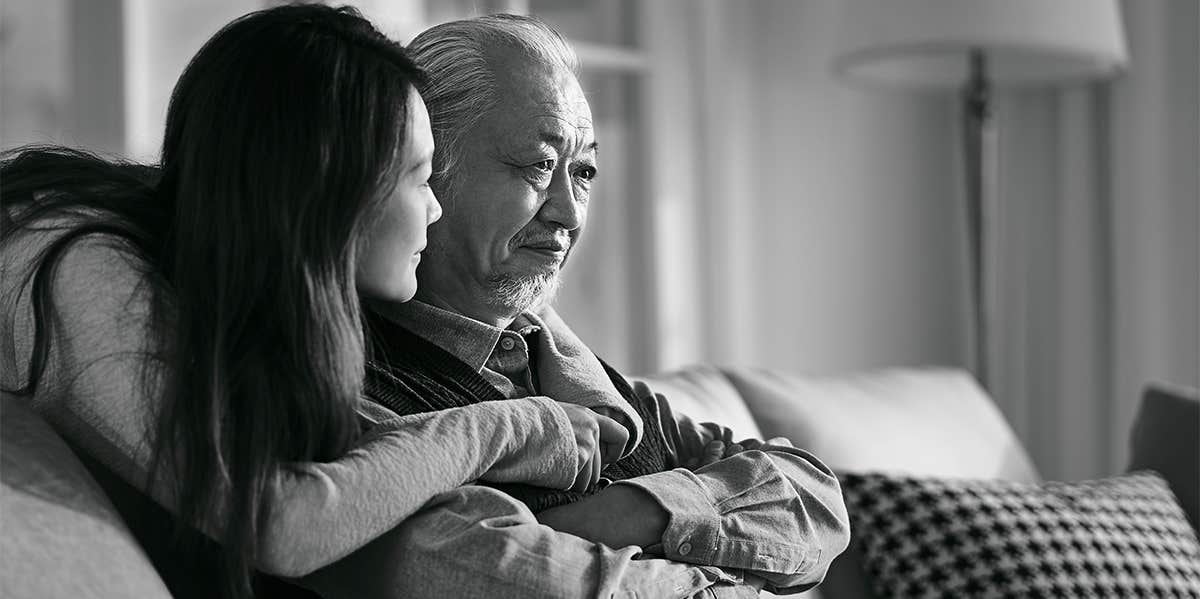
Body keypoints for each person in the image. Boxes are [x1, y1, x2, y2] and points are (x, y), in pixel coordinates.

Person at [0, 5, 631, 599]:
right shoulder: (74, 262)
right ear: (343, 183)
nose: (436, 207)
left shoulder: (259, 294)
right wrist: (512, 426)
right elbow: (280, 524)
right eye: (420, 176)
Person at [312, 14, 851, 599]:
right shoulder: (353, 387)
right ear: (421, 165)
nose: (569, 213)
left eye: (585, 172)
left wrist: (637, 511)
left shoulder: (574, 372)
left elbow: (815, 502)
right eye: (539, 166)